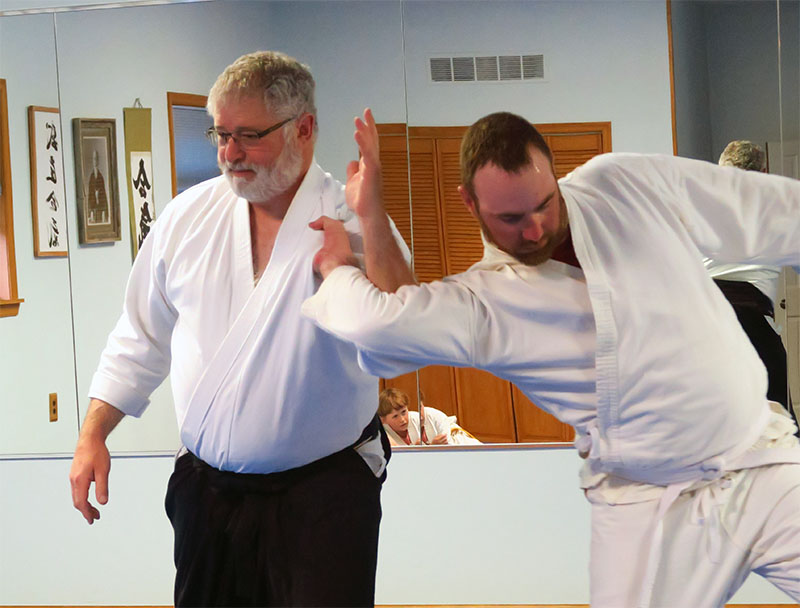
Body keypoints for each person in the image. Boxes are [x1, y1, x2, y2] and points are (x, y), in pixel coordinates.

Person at [302, 112, 800, 606]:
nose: (537, 229)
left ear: (554, 172)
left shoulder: (619, 185)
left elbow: (771, 213)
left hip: (760, 455)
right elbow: (383, 323)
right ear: (469, 205)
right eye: (512, 219)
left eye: (545, 204)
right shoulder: (487, 302)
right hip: (649, 506)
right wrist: (337, 264)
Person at [69, 51, 412, 608]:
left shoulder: (350, 218)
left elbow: (402, 335)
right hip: (209, 497)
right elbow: (140, 335)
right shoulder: (187, 217)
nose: (229, 153)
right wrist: (93, 434)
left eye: (248, 136)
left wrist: (372, 218)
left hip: (323, 497)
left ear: (304, 128)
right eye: (220, 134)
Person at [705, 140, 796, 430]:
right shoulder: (781, 214)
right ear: (763, 172)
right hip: (749, 322)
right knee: (781, 425)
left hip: (702, 322)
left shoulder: (696, 210)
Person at [378, 387, 482, 446]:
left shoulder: (421, 418)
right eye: (395, 416)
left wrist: (432, 447)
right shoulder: (383, 432)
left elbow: (447, 442)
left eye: (404, 412)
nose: (402, 419)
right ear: (384, 420)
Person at [86, 149, 108, 224]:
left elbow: (104, 195)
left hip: (100, 209)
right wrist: (90, 213)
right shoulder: (91, 177)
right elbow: (90, 195)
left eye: (96, 159)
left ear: (98, 160)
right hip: (93, 209)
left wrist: (98, 195)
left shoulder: (101, 177)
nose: (95, 161)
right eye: (93, 159)